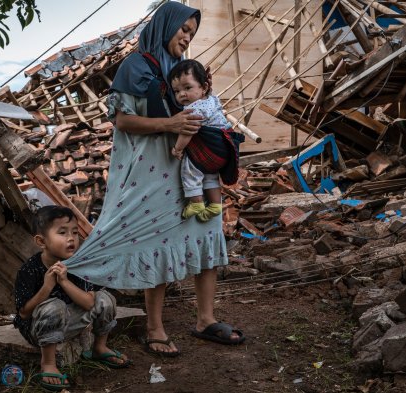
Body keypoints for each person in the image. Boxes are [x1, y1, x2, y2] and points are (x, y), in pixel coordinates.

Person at [64, 1, 245, 358]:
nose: (187, 37)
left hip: (190, 170)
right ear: (166, 25)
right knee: (158, 245)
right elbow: (122, 121)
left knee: (205, 235)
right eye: (183, 30)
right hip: (152, 175)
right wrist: (170, 125)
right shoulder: (136, 66)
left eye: (192, 33)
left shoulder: (181, 71)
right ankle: (154, 328)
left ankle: (205, 320)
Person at [13, 205, 131, 391]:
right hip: (39, 330)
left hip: (71, 323)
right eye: (62, 232)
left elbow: (89, 303)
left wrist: (64, 281)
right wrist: (47, 287)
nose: (71, 238)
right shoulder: (29, 269)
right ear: (41, 241)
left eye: (75, 232)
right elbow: (24, 313)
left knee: (105, 299)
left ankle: (99, 348)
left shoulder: (79, 265)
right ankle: (49, 363)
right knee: (55, 305)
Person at [168, 59, 243, 222]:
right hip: (223, 152)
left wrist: (178, 149)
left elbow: (187, 131)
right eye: (176, 91)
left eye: (187, 88)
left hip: (210, 150)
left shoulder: (193, 109)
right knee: (210, 175)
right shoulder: (211, 100)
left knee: (190, 169)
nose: (182, 94)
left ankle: (196, 203)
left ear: (204, 87)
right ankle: (215, 204)